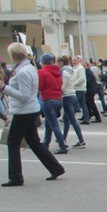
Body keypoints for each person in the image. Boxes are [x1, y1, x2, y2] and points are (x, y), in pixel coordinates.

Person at [0, 43, 65, 186]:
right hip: (29, 109)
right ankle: (55, 168)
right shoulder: (28, 67)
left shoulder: (23, 71)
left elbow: (24, 96)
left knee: (13, 142)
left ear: (13, 55)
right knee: (33, 142)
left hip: (24, 110)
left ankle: (16, 176)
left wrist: (4, 88)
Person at [38, 53, 69, 154]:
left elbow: (40, 86)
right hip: (58, 99)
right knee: (49, 122)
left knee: (53, 124)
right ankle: (46, 143)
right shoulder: (58, 71)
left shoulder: (42, 72)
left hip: (48, 99)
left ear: (43, 62)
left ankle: (62, 145)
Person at [58, 55, 86, 149]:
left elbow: (63, 86)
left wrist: (57, 91)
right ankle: (63, 138)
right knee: (66, 120)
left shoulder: (64, 72)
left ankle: (81, 140)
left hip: (67, 96)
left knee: (72, 120)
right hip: (72, 94)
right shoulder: (70, 70)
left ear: (61, 63)